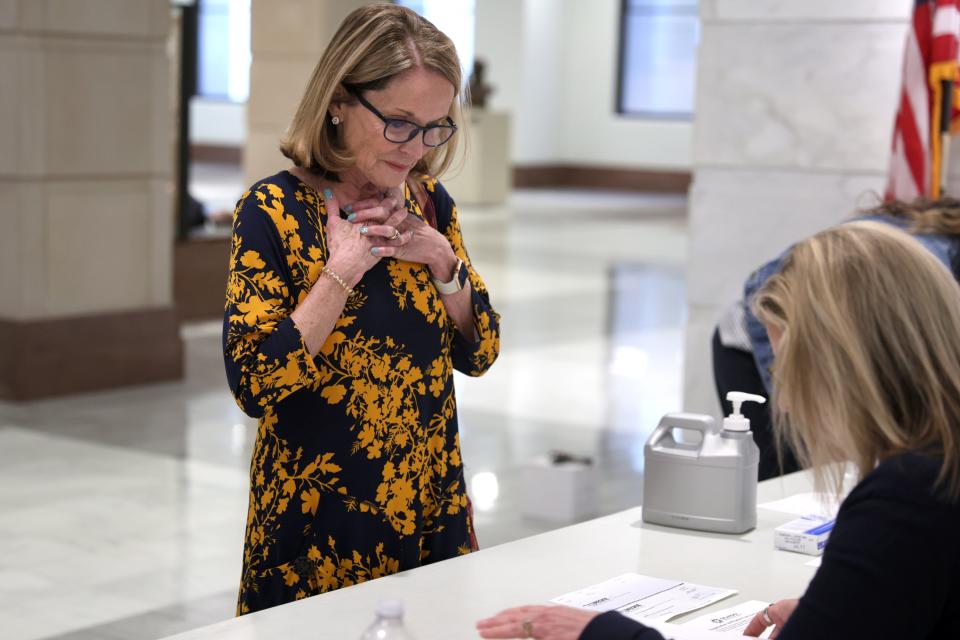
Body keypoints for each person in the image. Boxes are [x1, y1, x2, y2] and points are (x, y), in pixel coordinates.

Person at [477, 222, 960, 639]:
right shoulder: (937, 463)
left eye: (789, 370)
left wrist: (600, 632)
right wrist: (835, 617)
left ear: (842, 363)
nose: (786, 400)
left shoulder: (908, 495)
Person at [223, 5, 500, 615]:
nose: (416, 147)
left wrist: (443, 262)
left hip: (429, 506)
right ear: (340, 102)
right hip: (318, 524)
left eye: (435, 127)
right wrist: (342, 270)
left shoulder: (429, 203)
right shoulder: (272, 211)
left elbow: (480, 353)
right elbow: (254, 383)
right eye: (400, 123)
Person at [713, 198, 960, 480]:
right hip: (751, 340)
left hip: (800, 344)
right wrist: (802, 401)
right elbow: (764, 300)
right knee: (789, 485)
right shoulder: (921, 264)